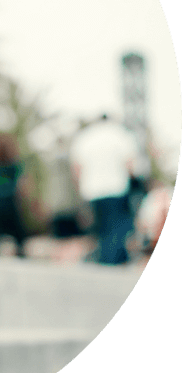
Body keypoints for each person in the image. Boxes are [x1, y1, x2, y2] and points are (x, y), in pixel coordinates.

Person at [69, 114, 140, 265]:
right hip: (116, 189)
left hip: (92, 190)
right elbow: (130, 164)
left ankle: (106, 259)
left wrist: (79, 191)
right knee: (117, 227)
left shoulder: (84, 137)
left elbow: (76, 169)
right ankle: (111, 261)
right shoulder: (120, 134)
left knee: (101, 229)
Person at [0, 133, 29, 257]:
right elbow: (22, 188)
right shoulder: (16, 168)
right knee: (19, 236)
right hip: (12, 205)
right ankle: (22, 255)